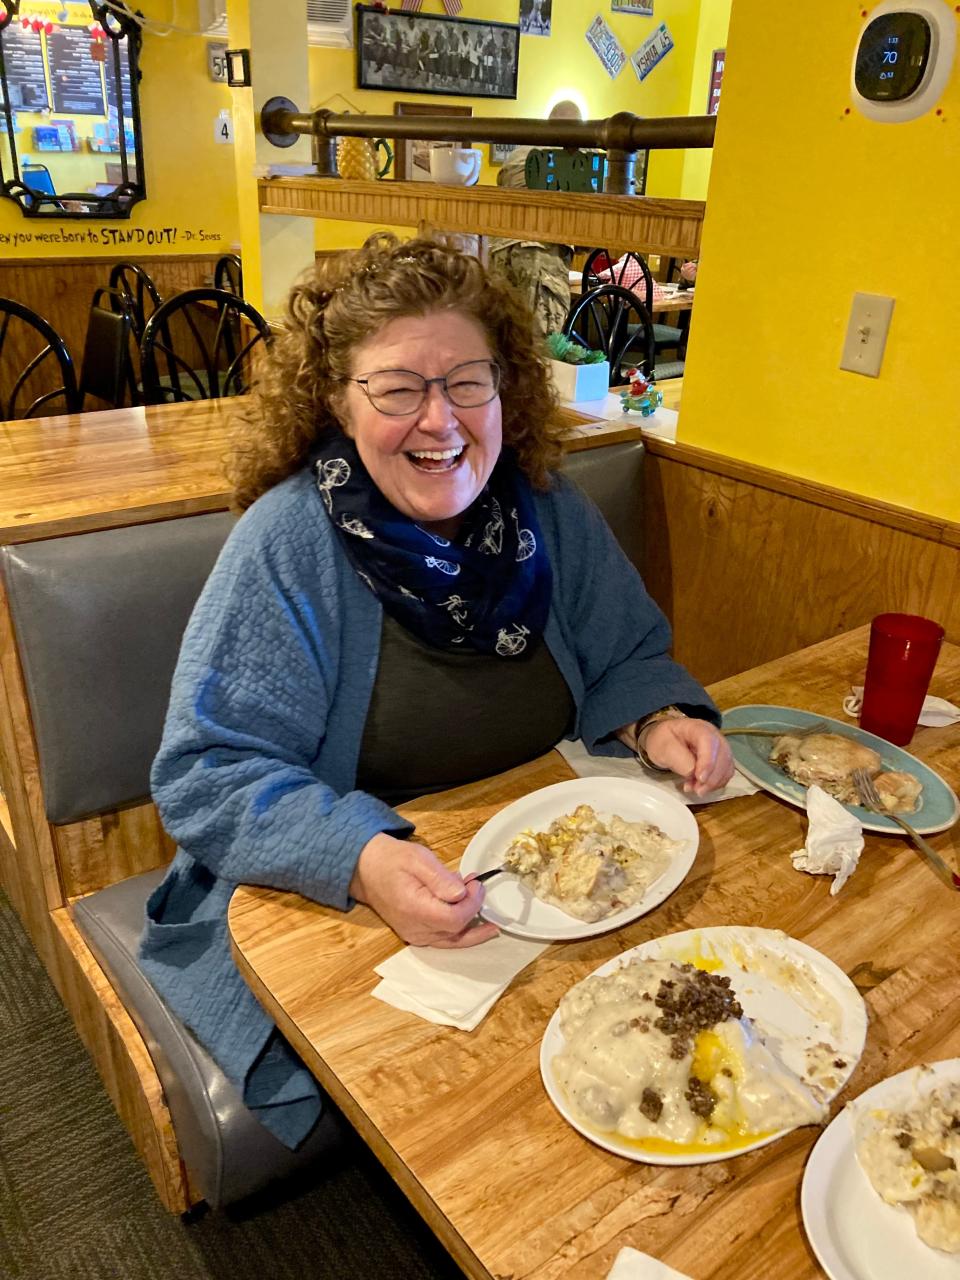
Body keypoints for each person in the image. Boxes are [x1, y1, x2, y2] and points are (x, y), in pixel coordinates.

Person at [138, 234, 733, 1152]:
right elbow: (208, 772)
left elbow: (628, 653)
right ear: (338, 400)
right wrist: (362, 859)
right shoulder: (288, 543)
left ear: (506, 390)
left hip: (556, 881)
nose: (440, 420)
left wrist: (659, 718)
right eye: (397, 388)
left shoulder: (547, 507)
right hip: (359, 903)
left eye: (466, 382)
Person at [487, 99, 583, 338]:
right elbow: (585, 230)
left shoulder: (518, 155)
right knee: (538, 343)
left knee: (500, 337)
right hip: (541, 258)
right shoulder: (570, 163)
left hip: (499, 251)